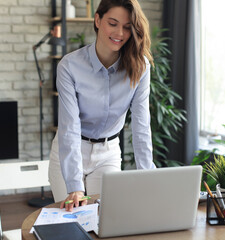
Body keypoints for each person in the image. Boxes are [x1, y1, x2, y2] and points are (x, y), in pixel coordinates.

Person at [48, 0, 156, 212]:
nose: (120, 33)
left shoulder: (140, 67)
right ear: (98, 20)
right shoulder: (70, 66)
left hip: (108, 153)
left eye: (127, 27)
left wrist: (148, 176)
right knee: (72, 219)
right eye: (112, 23)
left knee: (107, 217)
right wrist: (75, 185)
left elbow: (141, 125)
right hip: (71, 149)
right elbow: (69, 126)